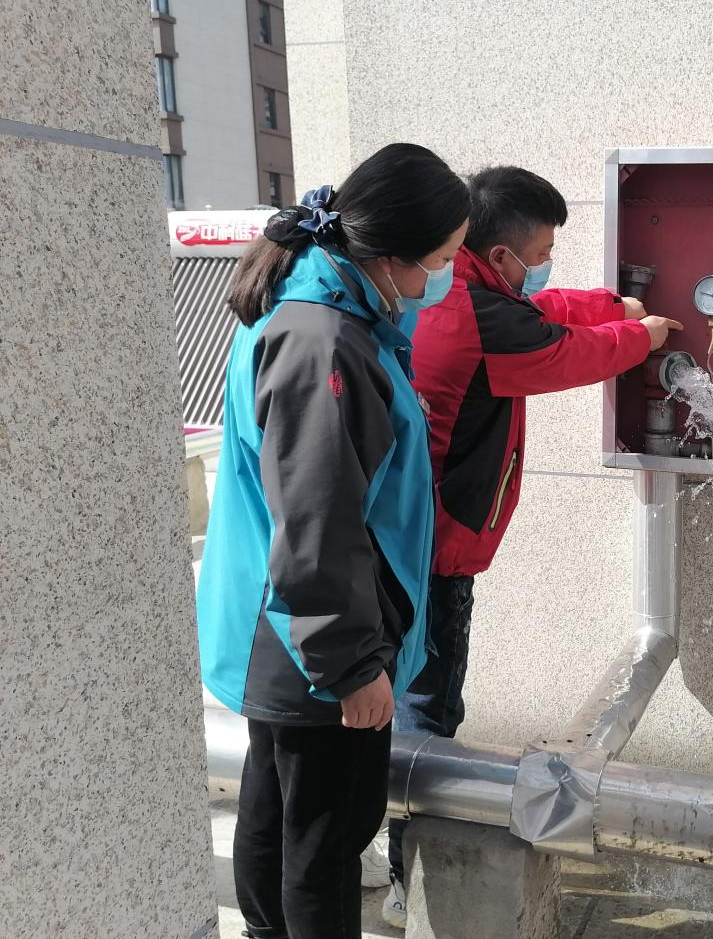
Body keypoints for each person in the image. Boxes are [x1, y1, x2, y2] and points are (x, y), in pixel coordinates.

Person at [381, 166, 682, 925]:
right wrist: (639, 336)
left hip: (413, 534)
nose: (546, 263)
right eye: (542, 250)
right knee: (427, 709)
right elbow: (560, 350)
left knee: (408, 697)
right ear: (501, 253)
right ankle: (405, 876)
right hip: (436, 547)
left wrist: (612, 305)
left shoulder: (461, 290)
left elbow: (541, 310)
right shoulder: (478, 316)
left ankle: (382, 850)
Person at [197, 143, 470, 939]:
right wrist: (351, 668)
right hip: (312, 640)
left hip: (288, 627)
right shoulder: (323, 341)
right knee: (323, 841)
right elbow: (318, 521)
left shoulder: (323, 308)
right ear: (388, 257)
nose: (442, 277)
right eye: (440, 260)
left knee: (276, 809)